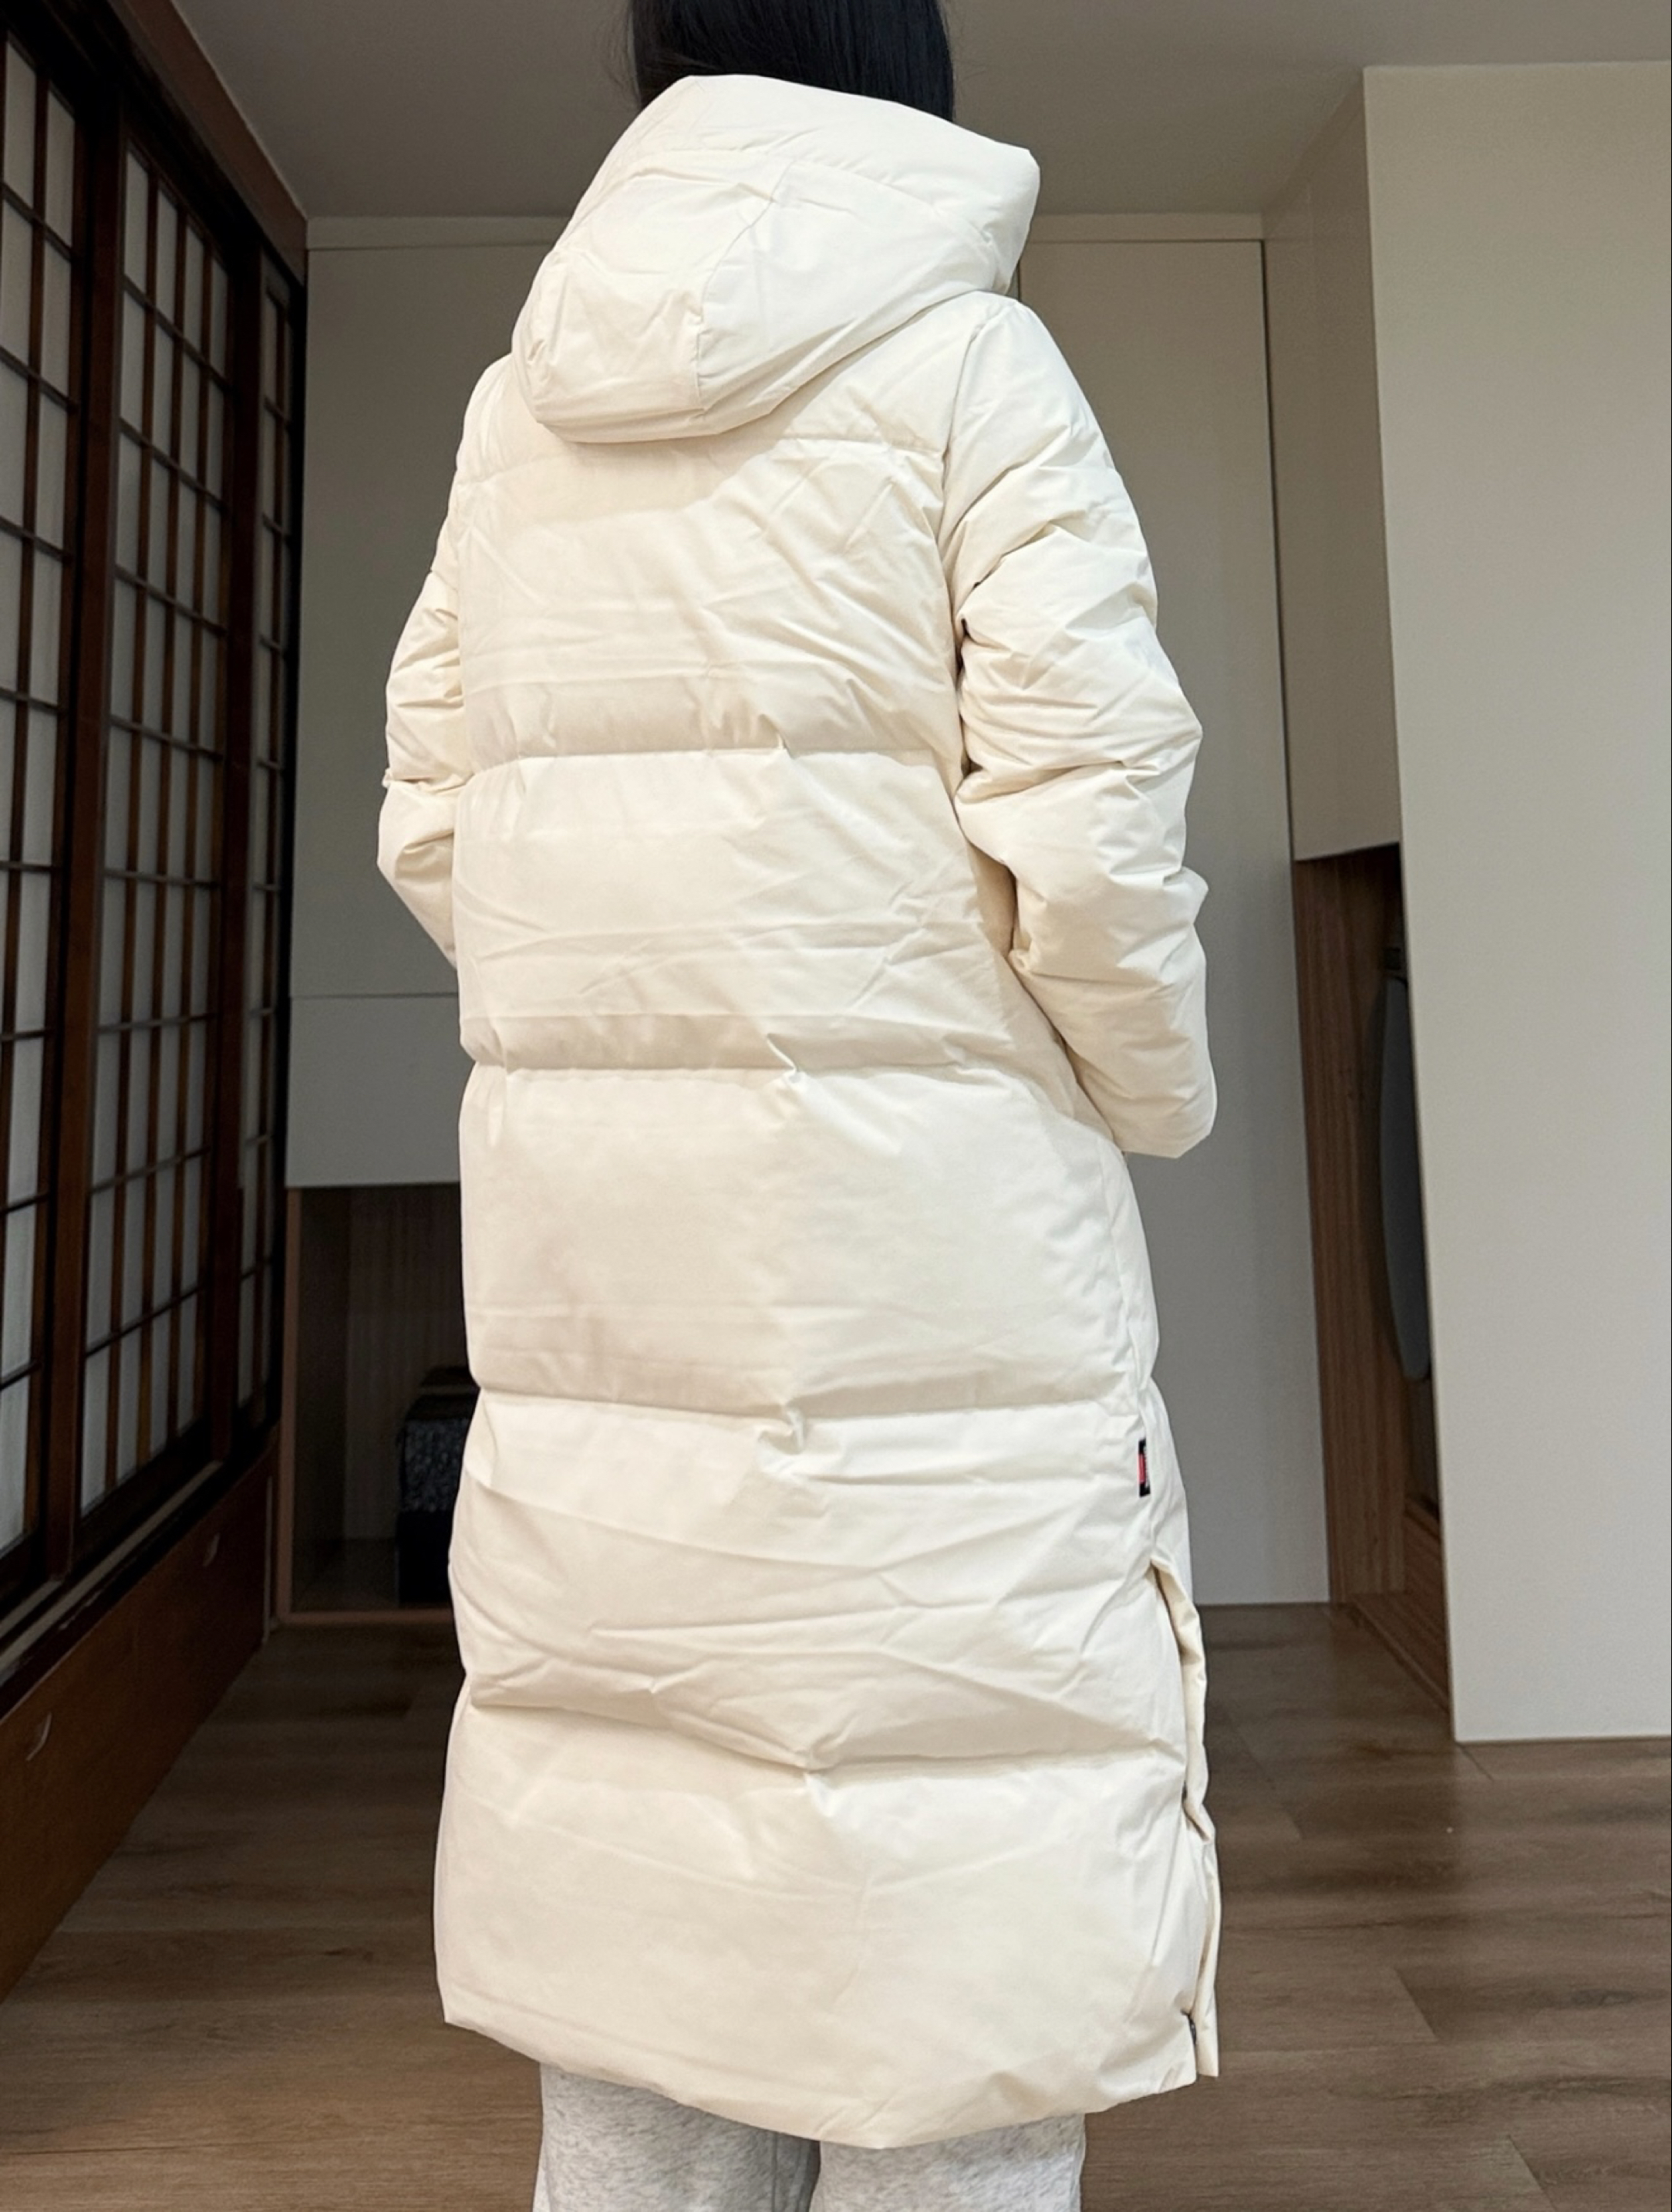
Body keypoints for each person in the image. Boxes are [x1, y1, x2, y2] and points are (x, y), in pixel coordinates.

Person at [378, 1, 1222, 2203]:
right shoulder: (972, 366)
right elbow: (1098, 826)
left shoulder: (514, 413)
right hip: (935, 1252)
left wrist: (634, 1011)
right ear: (904, 70)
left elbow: (433, 813)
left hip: (609, 1268)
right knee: (956, 1975)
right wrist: (1141, 1088)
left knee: (644, 1939)